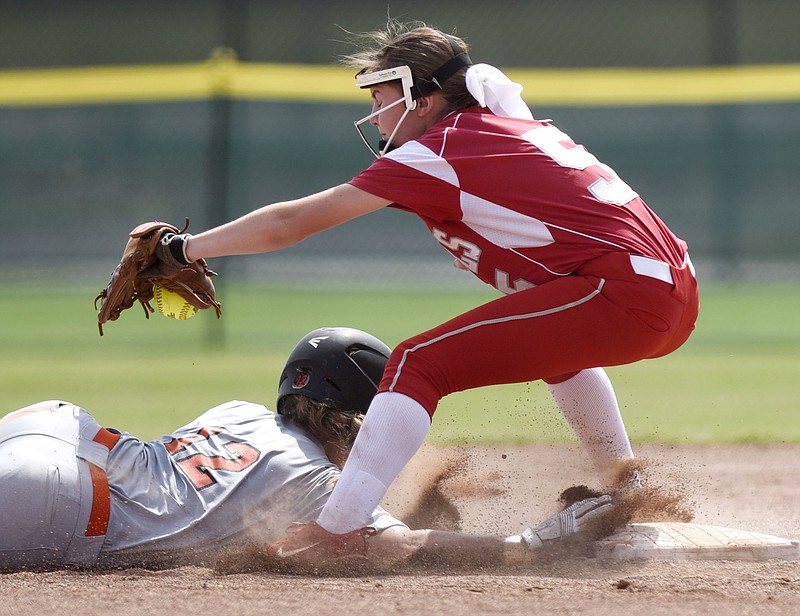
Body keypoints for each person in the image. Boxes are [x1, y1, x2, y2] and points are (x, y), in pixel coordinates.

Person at [144, 20, 699, 563]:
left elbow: (291, 222)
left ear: (422, 98)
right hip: (669, 292)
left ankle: (337, 528)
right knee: (558, 353)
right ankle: (628, 487)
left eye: (382, 94)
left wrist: (183, 250)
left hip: (626, 294)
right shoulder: (495, 131)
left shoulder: (441, 148)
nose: (373, 110)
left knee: (417, 361)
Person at [0, 327, 611, 573]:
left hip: (52, 429)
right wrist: (527, 545)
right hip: (64, 501)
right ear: (354, 415)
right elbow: (393, 546)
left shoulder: (238, 413)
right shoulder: (316, 484)